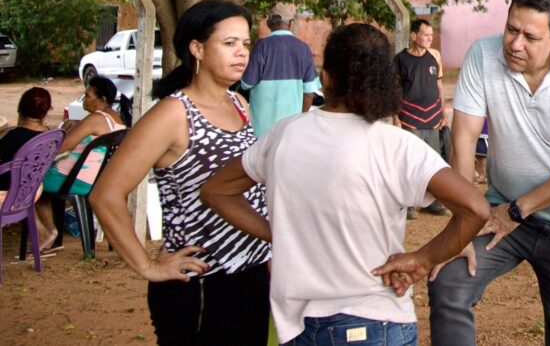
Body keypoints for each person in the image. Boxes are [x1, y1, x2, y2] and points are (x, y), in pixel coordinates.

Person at [201, 22, 490, 346]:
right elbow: (475, 208)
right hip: (377, 320)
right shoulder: (395, 145)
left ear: (326, 77)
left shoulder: (283, 134)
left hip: (298, 326)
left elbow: (215, 190)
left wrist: (278, 231)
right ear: (384, 82)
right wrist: (422, 259)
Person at [428, 0, 550, 346]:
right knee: (447, 283)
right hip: (498, 218)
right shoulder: (482, 55)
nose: (514, 44)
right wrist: (462, 223)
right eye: (511, 29)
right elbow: (463, 139)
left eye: (530, 37)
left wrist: (516, 211)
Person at [91, 0, 271, 346]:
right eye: (229, 43)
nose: (241, 53)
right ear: (197, 48)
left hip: (249, 278)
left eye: (245, 44)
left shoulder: (239, 104)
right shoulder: (173, 113)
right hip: (201, 285)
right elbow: (106, 193)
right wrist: (148, 266)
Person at [239, 3, 320, 137]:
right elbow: (309, 93)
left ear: (269, 24)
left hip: (261, 132)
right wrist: (300, 119)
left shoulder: (261, 46)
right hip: (290, 131)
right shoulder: (303, 48)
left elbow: (246, 83)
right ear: (290, 23)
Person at [42, 75, 128, 196]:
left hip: (71, 178)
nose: (84, 99)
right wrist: (78, 123)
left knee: (27, 181)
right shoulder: (116, 118)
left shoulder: (96, 119)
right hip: (94, 180)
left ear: (102, 99)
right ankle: (55, 215)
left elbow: (60, 147)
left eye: (87, 96)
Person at [396, 18, 448, 217]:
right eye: (425, 35)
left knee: (432, 162)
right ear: (414, 36)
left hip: (433, 118)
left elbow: (440, 86)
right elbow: (395, 89)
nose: (429, 39)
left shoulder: (434, 57)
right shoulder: (401, 60)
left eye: (431, 36)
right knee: (411, 162)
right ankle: (407, 204)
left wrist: (442, 112)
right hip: (409, 117)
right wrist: (395, 116)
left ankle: (430, 202)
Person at [0, 86, 58, 245]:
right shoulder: (51, 136)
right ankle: (45, 232)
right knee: (21, 178)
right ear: (45, 112)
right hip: (33, 190)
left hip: (8, 193)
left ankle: (44, 232)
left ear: (20, 108)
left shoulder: (14, 136)